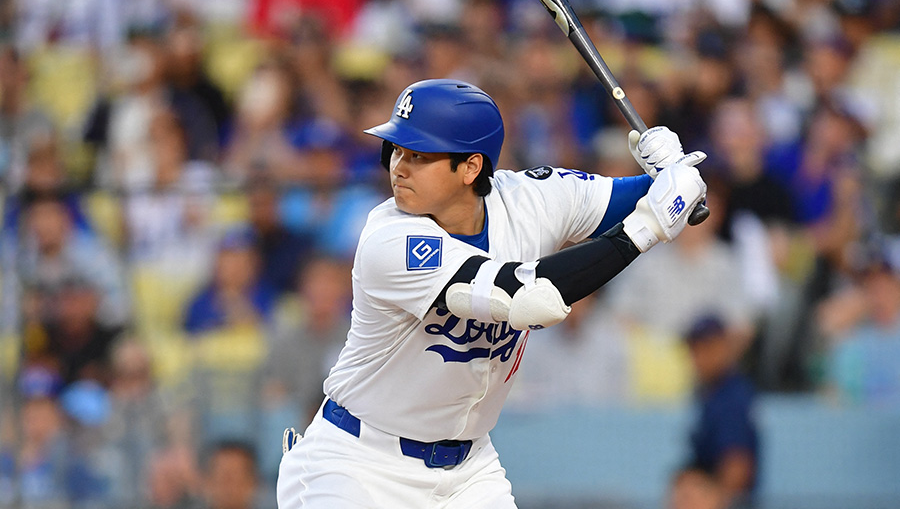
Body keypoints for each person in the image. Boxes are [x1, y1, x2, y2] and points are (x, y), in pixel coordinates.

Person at [276, 79, 707, 508]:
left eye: (420, 154)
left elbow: (647, 197)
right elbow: (532, 297)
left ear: (470, 167)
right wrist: (648, 227)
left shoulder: (529, 199)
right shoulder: (388, 240)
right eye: (398, 150)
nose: (399, 166)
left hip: (467, 470)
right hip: (358, 462)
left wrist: (673, 175)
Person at [684, 314, 759, 507]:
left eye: (709, 347)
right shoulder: (710, 393)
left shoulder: (731, 398)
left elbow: (737, 464)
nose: (700, 357)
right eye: (695, 349)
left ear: (726, 346)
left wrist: (718, 502)